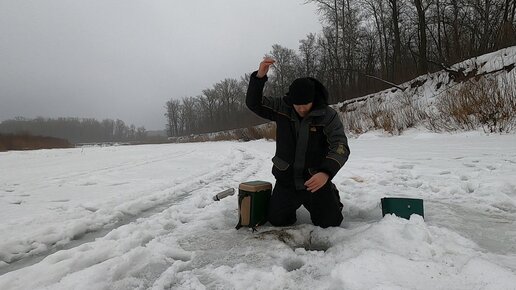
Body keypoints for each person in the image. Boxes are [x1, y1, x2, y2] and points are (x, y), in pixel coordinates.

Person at [246, 57, 350, 228]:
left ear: (313, 99)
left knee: (330, 223)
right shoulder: (282, 108)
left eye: (306, 104)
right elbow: (254, 103)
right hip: (287, 181)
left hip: (315, 181)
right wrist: (259, 78)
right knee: (278, 220)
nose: (301, 109)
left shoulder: (328, 115)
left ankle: (331, 193)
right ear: (290, 100)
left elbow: (340, 146)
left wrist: (325, 173)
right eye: (297, 105)